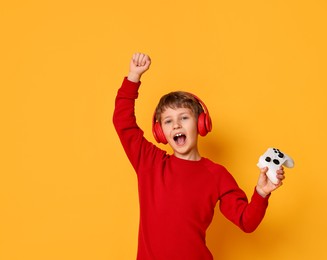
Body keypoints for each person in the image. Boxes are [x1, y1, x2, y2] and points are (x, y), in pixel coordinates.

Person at [113, 53, 286, 260]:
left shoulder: (217, 175)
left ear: (201, 124)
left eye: (184, 118)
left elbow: (246, 222)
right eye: (168, 121)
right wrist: (133, 77)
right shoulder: (150, 162)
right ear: (160, 132)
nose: (176, 124)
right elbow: (123, 123)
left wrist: (261, 193)